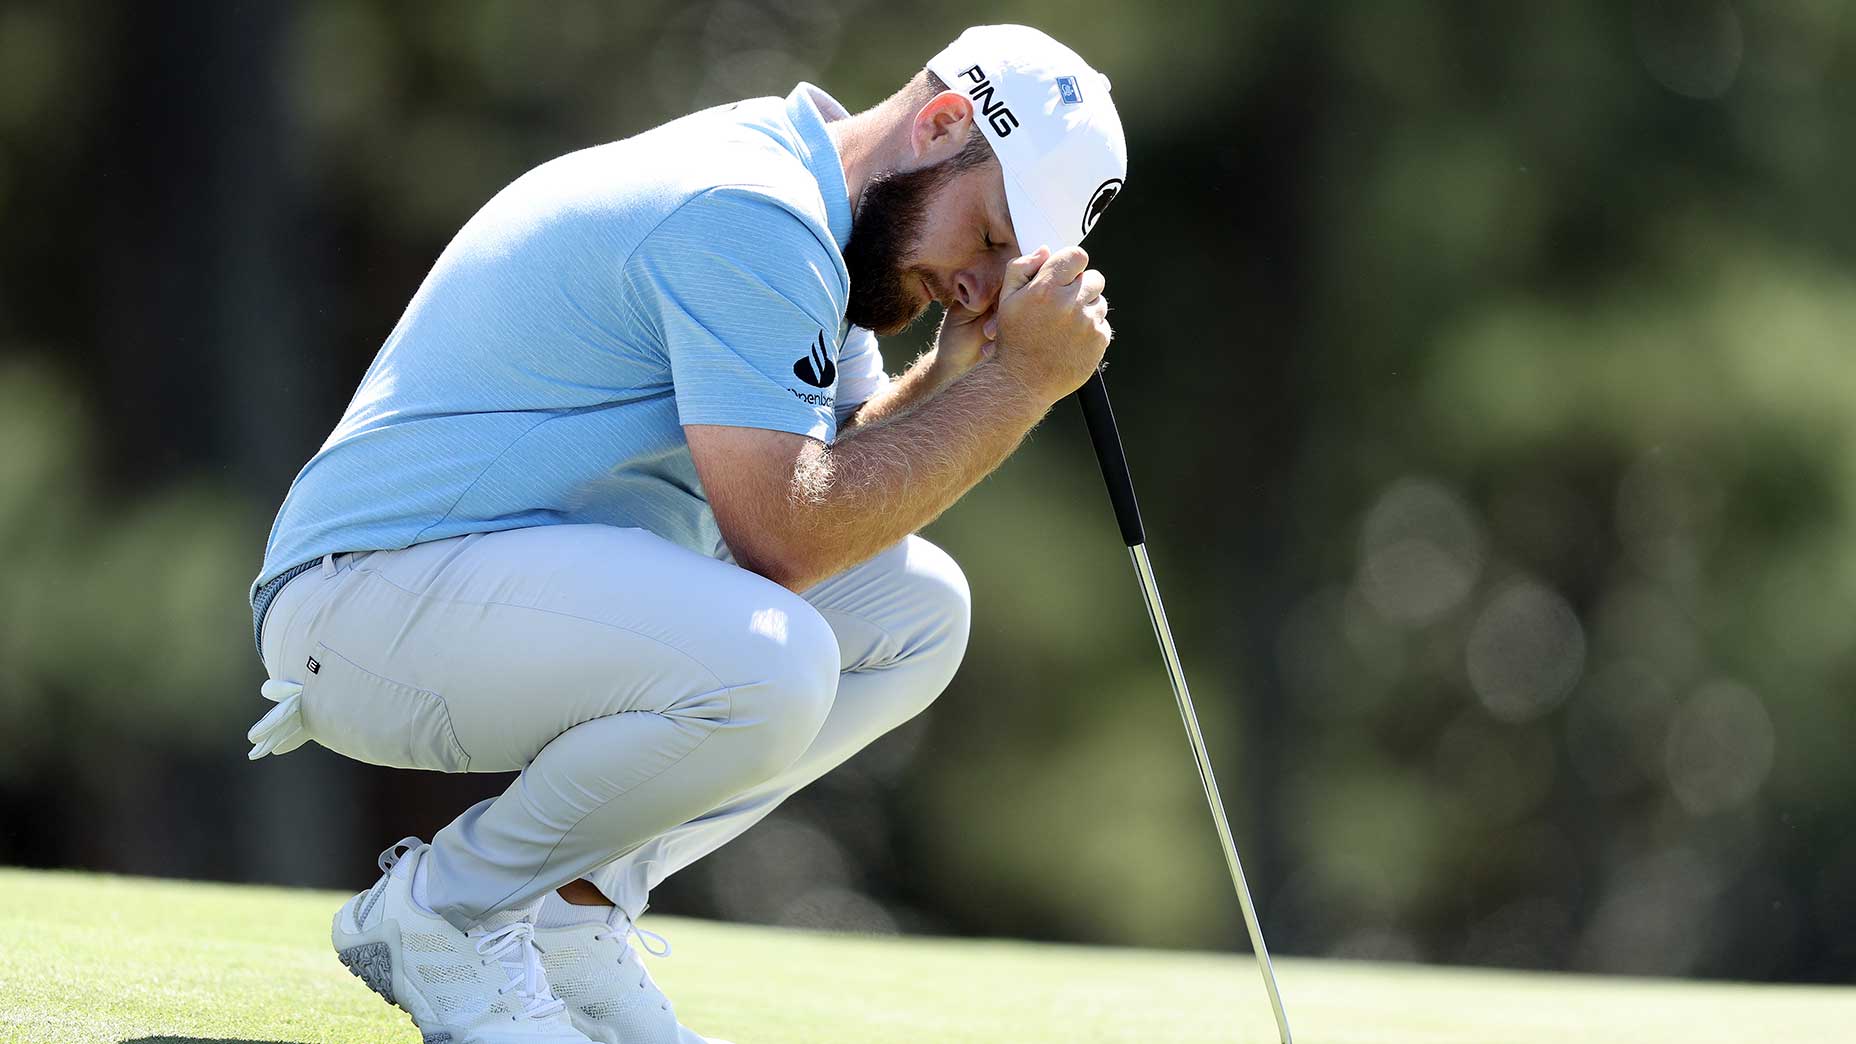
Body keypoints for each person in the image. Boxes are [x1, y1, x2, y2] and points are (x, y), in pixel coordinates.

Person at [244, 23, 1124, 1044]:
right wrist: (1017, 388)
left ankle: (573, 914)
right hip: (366, 599)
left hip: (482, 596)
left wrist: (956, 376)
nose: (979, 287)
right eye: (986, 238)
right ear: (938, 124)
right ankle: (444, 913)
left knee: (912, 612)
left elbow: (825, 479)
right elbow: (784, 539)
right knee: (772, 661)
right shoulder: (751, 210)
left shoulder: (823, 225)